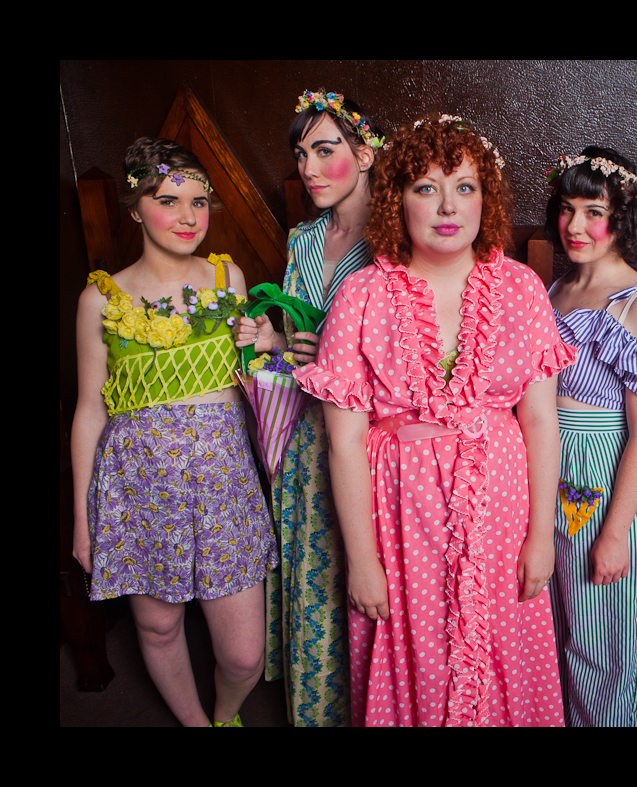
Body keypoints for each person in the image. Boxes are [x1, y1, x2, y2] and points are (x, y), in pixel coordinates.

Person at [293, 114, 576, 726]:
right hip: (401, 516)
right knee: (418, 656)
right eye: (426, 187)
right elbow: (344, 444)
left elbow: (540, 422)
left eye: (464, 187)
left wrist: (541, 537)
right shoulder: (361, 296)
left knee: (501, 650)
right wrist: (362, 560)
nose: (448, 206)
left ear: (484, 198)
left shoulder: (522, 289)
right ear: (397, 199)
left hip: (502, 513)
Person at [72, 138, 277, 727]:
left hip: (223, 483)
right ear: (136, 209)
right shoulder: (99, 299)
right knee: (159, 626)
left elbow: (257, 378)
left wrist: (271, 341)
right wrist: (84, 519)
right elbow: (89, 410)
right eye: (168, 200)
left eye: (199, 202)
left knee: (244, 655)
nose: (188, 217)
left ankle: (226, 712)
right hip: (140, 485)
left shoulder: (227, 277)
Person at [236, 88, 383, 727]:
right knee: (312, 576)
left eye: (326, 151)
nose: (309, 168)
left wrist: (334, 349)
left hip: (368, 435)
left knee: (367, 574)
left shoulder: (395, 235)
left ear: (366, 153)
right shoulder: (304, 237)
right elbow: (298, 333)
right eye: (301, 155)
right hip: (302, 429)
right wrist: (273, 338)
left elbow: (415, 346)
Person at [544, 147, 637, 726]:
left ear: (622, 219)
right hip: (548, 475)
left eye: (593, 212)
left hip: (605, 483)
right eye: (567, 208)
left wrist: (615, 533)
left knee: (607, 643)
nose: (575, 225)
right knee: (556, 632)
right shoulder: (555, 291)